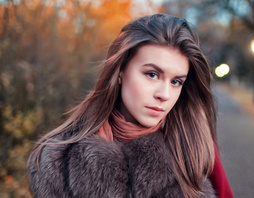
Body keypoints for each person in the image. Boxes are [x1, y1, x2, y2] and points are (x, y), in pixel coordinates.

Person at [27, 14, 233, 198]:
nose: (164, 94)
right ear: (121, 72)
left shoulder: (194, 144)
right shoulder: (60, 156)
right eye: (152, 74)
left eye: (176, 81)